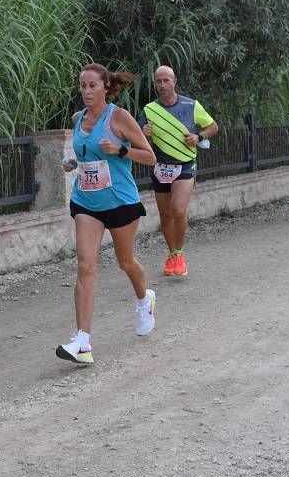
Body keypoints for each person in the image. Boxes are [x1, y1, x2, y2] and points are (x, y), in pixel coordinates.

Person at [57, 63, 158, 365]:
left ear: (105, 87)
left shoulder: (119, 117)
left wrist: (120, 151)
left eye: (92, 86)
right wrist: (71, 163)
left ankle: (145, 299)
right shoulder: (78, 119)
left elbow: (150, 157)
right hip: (87, 202)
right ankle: (83, 342)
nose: (86, 91)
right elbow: (84, 156)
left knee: (125, 261)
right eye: (82, 86)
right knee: (85, 266)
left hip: (120, 202)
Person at [139, 65, 219, 276]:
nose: (163, 85)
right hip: (161, 167)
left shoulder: (191, 105)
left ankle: (180, 253)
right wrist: (143, 132)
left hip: (185, 165)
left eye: (166, 80)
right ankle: (173, 254)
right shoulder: (148, 110)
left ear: (174, 81)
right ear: (155, 84)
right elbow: (136, 138)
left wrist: (199, 137)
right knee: (165, 216)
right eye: (158, 81)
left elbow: (213, 126)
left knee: (178, 210)